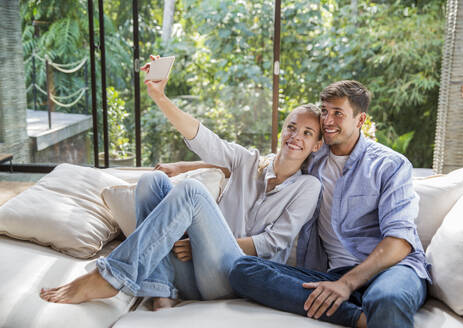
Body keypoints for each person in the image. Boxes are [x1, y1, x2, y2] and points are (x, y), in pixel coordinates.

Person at [39, 56, 324, 311]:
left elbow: (274, 242)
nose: (296, 136)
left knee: (191, 191)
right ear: (282, 129)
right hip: (192, 274)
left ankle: (111, 276)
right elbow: (203, 139)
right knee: (152, 181)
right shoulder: (247, 160)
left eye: (307, 133)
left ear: (316, 145)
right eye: (291, 127)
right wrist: (159, 97)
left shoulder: (308, 187)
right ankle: (161, 290)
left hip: (234, 278)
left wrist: (202, 243)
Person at [228, 80, 431, 328]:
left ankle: (363, 303)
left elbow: (400, 242)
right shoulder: (312, 158)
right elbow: (259, 163)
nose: (327, 120)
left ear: (360, 120)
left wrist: (347, 284)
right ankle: (359, 318)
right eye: (324, 111)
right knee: (244, 269)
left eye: (338, 113)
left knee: (386, 298)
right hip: (333, 274)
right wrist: (187, 166)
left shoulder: (390, 165)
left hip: (392, 270)